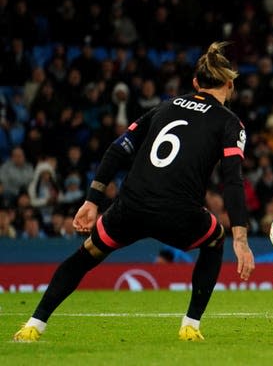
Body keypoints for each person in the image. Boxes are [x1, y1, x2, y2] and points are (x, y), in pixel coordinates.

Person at [13, 42, 255, 342]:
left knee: (84, 256)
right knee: (215, 239)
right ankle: (190, 325)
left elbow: (118, 149)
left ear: (195, 83)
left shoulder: (164, 107)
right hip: (178, 213)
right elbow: (233, 180)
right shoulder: (231, 123)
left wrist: (92, 200)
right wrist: (241, 239)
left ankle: (33, 326)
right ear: (230, 85)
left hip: (130, 207)